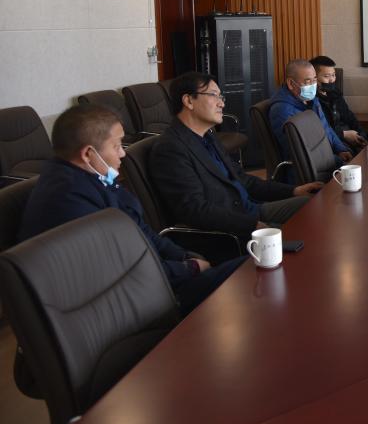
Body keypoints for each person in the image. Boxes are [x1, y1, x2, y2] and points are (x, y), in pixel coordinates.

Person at [18, 104, 244, 315]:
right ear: (88, 154)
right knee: (244, 274)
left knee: (251, 268)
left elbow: (140, 230)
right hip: (129, 303)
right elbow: (118, 269)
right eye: (116, 146)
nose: (123, 154)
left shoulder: (93, 177)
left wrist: (184, 256)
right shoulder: (68, 201)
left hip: (149, 277)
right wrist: (188, 269)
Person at [149, 72, 322, 240]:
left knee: (315, 205)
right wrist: (251, 225)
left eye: (221, 97)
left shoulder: (208, 136)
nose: (221, 104)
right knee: (309, 234)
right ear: (188, 101)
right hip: (231, 230)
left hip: (250, 210)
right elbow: (195, 210)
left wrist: (294, 191)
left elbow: (243, 179)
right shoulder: (170, 149)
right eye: (213, 95)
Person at [269, 59, 353, 181]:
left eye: (314, 80)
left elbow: (326, 128)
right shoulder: (282, 110)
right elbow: (301, 151)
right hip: (305, 170)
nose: (313, 85)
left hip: (325, 160)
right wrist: (339, 161)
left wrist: (341, 149)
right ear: (291, 83)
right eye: (308, 81)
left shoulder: (311, 100)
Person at [309, 55, 368, 151]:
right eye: (326, 76)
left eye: (333, 75)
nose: (331, 79)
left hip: (350, 135)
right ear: (314, 78)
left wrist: (361, 134)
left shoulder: (335, 93)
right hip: (333, 142)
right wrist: (344, 135)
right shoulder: (311, 100)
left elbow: (349, 116)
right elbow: (322, 129)